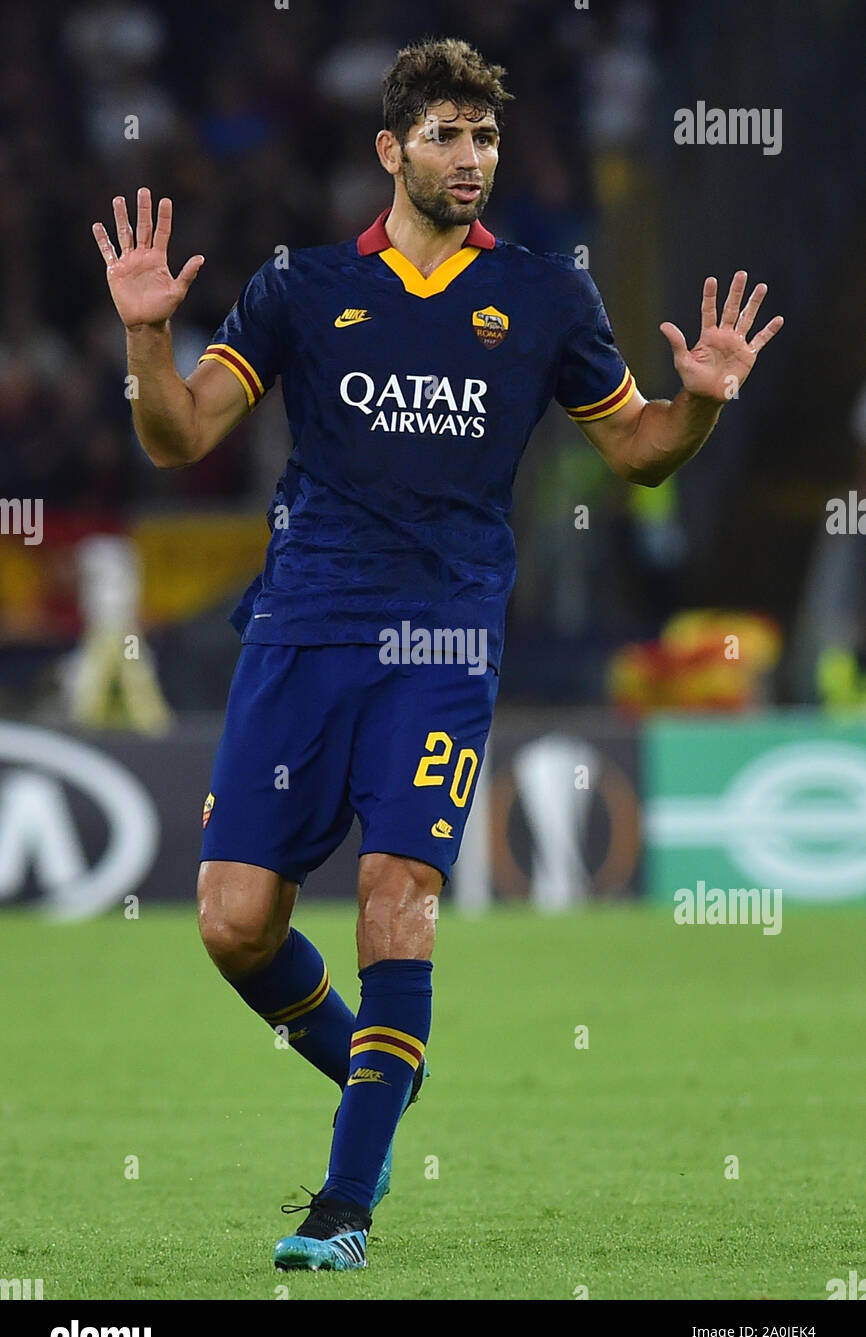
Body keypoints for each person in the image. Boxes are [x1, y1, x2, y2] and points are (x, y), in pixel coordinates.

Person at [92, 36, 783, 1273]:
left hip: (443, 640)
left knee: (392, 898)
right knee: (232, 923)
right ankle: (376, 1069)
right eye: (448, 137)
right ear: (390, 151)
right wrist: (148, 339)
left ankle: (341, 1207)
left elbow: (635, 451)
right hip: (298, 628)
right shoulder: (299, 289)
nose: (472, 159)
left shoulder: (544, 296)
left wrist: (703, 406)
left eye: (486, 139)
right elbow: (177, 435)